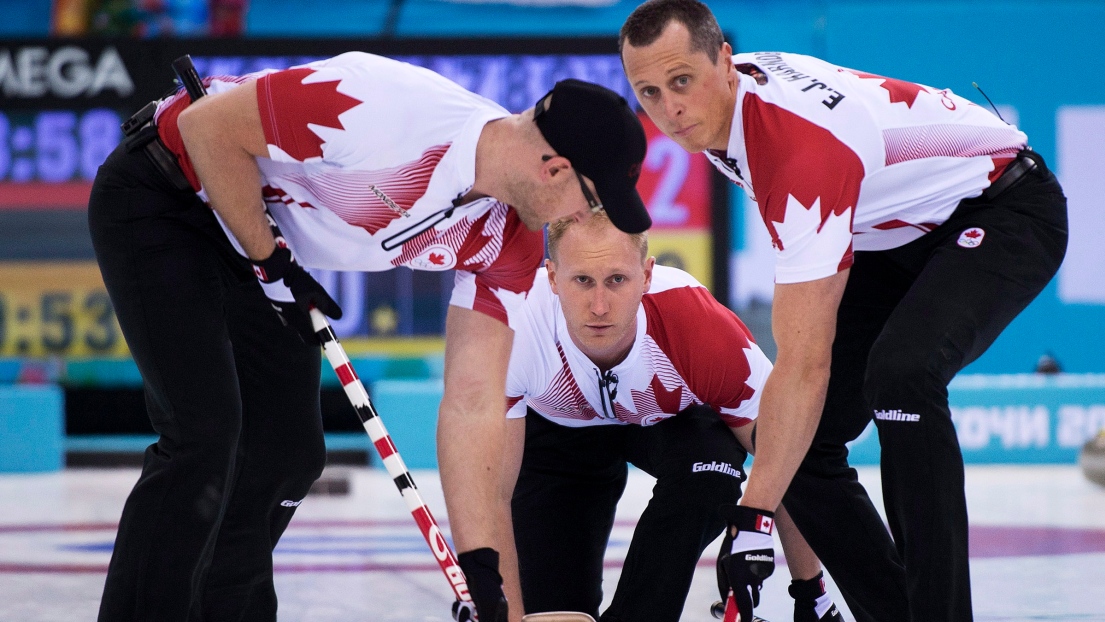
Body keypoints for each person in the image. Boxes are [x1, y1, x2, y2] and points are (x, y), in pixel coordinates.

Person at [88, 52, 649, 622]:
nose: (585, 217)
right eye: (593, 199)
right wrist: (268, 261)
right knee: (205, 433)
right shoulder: (379, 107)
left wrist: (483, 564)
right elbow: (203, 126)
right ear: (554, 170)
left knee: (285, 454)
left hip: (259, 245)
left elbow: (475, 403)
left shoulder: (508, 239)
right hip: (169, 197)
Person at [618, 2, 1069, 621]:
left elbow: (804, 364)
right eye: (648, 91)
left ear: (725, 63)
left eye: (681, 82)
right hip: (895, 232)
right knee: (796, 446)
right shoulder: (734, 101)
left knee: (901, 377)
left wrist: (754, 514)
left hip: (1003, 209)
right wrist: (765, 495)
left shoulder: (800, 158)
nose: (669, 108)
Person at [498, 211, 843, 622]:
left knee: (712, 470)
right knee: (550, 613)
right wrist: (505, 611)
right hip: (556, 442)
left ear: (646, 275)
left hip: (669, 426)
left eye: (617, 280)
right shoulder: (514, 327)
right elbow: (492, 493)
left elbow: (784, 456)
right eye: (582, 280)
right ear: (552, 277)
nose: (599, 305)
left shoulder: (698, 326)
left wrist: (811, 596)